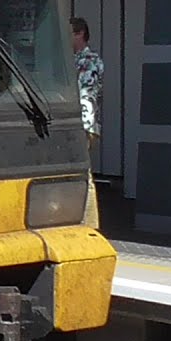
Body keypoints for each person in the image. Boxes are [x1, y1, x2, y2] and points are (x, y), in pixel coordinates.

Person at [71, 17, 103, 228]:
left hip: (83, 123)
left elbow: (84, 93)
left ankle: (90, 223)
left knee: (84, 172)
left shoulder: (90, 60)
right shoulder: (69, 59)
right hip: (71, 121)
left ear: (80, 33)